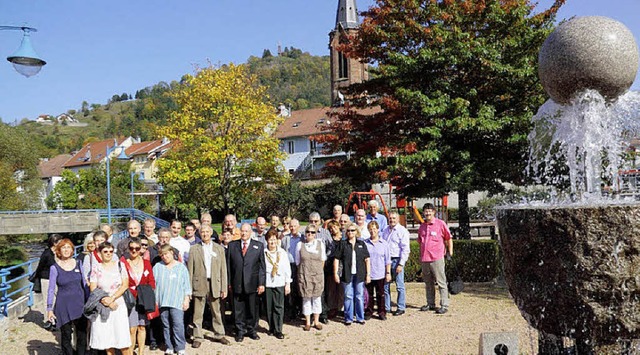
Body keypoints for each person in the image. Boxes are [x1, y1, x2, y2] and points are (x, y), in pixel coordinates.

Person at [187, 224, 230, 348]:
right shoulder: (194, 249)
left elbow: (223, 270)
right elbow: (190, 270)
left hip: (214, 283)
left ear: (211, 233)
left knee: (216, 311)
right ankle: (198, 336)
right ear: (199, 233)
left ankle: (219, 334)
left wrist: (224, 287)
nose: (205, 234)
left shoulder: (219, 249)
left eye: (207, 232)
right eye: (203, 232)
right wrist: (189, 289)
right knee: (197, 312)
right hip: (199, 283)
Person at [47, 238, 89, 355]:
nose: (66, 250)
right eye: (63, 247)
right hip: (63, 305)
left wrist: (90, 301)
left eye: (68, 247)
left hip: (80, 304)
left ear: (72, 250)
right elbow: (51, 289)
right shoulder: (54, 268)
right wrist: (49, 309)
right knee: (66, 337)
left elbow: (85, 283)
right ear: (59, 250)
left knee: (81, 334)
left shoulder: (78, 263)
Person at [88, 242, 132, 354]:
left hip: (118, 304)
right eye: (105, 251)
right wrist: (105, 301)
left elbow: (125, 285)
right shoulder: (96, 268)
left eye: (111, 251)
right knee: (107, 340)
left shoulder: (120, 265)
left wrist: (112, 299)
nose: (108, 254)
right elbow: (93, 288)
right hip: (103, 305)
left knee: (122, 340)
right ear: (100, 253)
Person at [227, 223, 266, 342]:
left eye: (246, 231)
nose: (244, 233)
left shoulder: (258, 246)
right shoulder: (232, 246)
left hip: (252, 284)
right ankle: (240, 331)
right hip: (237, 283)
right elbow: (228, 266)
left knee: (252, 309)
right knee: (238, 310)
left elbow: (262, 267)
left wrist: (261, 283)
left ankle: (252, 330)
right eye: (242, 231)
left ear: (250, 232)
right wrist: (229, 282)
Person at [153, 244, 192, 355]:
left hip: (177, 301)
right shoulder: (157, 267)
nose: (165, 257)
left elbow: (186, 285)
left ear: (172, 253)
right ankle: (169, 346)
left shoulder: (181, 267)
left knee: (178, 324)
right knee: (166, 325)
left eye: (166, 254)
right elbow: (153, 285)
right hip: (162, 301)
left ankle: (180, 347)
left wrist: (186, 299)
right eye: (162, 255)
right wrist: (155, 300)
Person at [121, 238, 156, 355]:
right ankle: (130, 352)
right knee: (132, 328)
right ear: (128, 249)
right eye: (131, 248)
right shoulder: (124, 263)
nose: (134, 250)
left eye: (137, 248)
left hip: (143, 298)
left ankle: (141, 352)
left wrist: (147, 291)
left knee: (142, 327)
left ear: (141, 249)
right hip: (130, 298)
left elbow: (151, 280)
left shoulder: (146, 263)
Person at [418, 203, 453, 314]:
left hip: (437, 258)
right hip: (425, 259)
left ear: (434, 212)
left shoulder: (440, 224)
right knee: (428, 283)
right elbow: (420, 242)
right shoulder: (422, 226)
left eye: (430, 211)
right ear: (423, 213)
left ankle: (444, 304)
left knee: (441, 282)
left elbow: (448, 238)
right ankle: (430, 303)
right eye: (426, 211)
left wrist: (450, 253)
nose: (427, 213)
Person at [334, 222, 370, 325]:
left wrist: (368, 274)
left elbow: (367, 259)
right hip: (346, 274)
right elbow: (336, 259)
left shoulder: (361, 244)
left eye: (352, 230)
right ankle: (348, 318)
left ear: (356, 232)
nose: (350, 232)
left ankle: (360, 317)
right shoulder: (343, 244)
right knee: (348, 296)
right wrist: (336, 273)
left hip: (360, 274)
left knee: (359, 296)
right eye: (348, 230)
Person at [295, 224, 326, 331]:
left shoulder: (320, 244)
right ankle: (307, 322)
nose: (310, 234)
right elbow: (297, 261)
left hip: (317, 275)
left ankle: (316, 321)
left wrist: (317, 271)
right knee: (306, 298)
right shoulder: (300, 245)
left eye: (313, 232)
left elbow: (323, 260)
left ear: (315, 234)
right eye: (308, 232)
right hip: (305, 275)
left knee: (317, 298)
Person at [381, 211, 411, 316]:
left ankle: (401, 307)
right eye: (390, 218)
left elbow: (405, 249)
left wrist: (401, 264)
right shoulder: (385, 230)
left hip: (397, 259)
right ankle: (387, 307)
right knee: (385, 285)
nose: (392, 220)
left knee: (399, 286)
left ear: (398, 219)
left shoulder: (402, 231)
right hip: (386, 261)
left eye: (394, 218)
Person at [263, 229, 291, 339]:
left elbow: (287, 269)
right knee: (269, 307)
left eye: (274, 239)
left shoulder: (282, 253)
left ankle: (278, 329)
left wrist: (287, 283)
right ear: (267, 241)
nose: (272, 242)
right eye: (270, 240)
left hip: (279, 282)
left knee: (279, 306)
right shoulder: (264, 253)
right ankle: (271, 327)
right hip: (268, 282)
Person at [364, 221, 391, 320]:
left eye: (374, 229)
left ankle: (381, 312)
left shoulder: (384, 244)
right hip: (369, 273)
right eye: (370, 229)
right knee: (369, 295)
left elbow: (387, 260)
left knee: (381, 294)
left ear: (378, 230)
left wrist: (388, 273)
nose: (373, 231)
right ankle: (369, 311)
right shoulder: (365, 243)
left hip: (380, 273)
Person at [34, 233, 63, 325]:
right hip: (47, 279)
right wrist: (38, 278)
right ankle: (49, 321)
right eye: (60, 241)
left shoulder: (60, 252)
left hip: (58, 278)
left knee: (59, 298)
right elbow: (40, 267)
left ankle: (57, 317)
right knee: (48, 299)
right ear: (54, 243)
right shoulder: (46, 253)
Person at [281, 218, 303, 320]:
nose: (292, 228)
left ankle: (300, 309)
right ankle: (291, 310)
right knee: (290, 289)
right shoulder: (285, 238)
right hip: (288, 265)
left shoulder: (302, 238)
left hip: (299, 265)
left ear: (298, 226)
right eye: (291, 226)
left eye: (294, 226)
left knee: (299, 287)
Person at [324, 220, 344, 320]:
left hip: (342, 266)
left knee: (341, 289)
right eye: (330, 228)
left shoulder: (344, 237)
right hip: (330, 266)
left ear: (338, 226)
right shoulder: (329, 239)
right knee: (331, 289)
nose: (333, 229)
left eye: (334, 227)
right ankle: (332, 308)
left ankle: (340, 307)